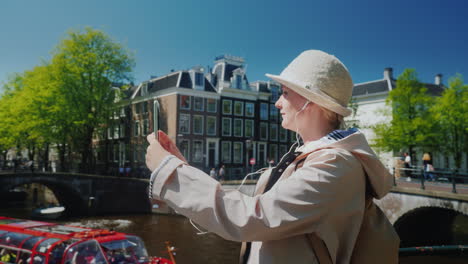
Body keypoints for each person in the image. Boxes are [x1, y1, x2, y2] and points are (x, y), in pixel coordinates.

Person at [145, 50, 395, 264]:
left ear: (311, 101)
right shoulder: (312, 157)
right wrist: (184, 168)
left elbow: (252, 218)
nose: (277, 102)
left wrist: (170, 171)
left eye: (285, 93)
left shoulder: (335, 165)